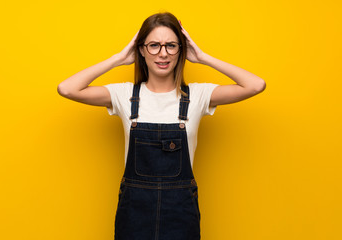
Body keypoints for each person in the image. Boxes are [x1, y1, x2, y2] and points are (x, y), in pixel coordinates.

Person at [57, 11, 265, 240]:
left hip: (180, 215)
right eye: (154, 45)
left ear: (181, 51)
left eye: (171, 46)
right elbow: (67, 89)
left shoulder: (198, 95)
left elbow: (255, 85)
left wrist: (203, 57)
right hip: (134, 214)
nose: (163, 53)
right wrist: (119, 58)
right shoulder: (124, 94)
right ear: (141, 50)